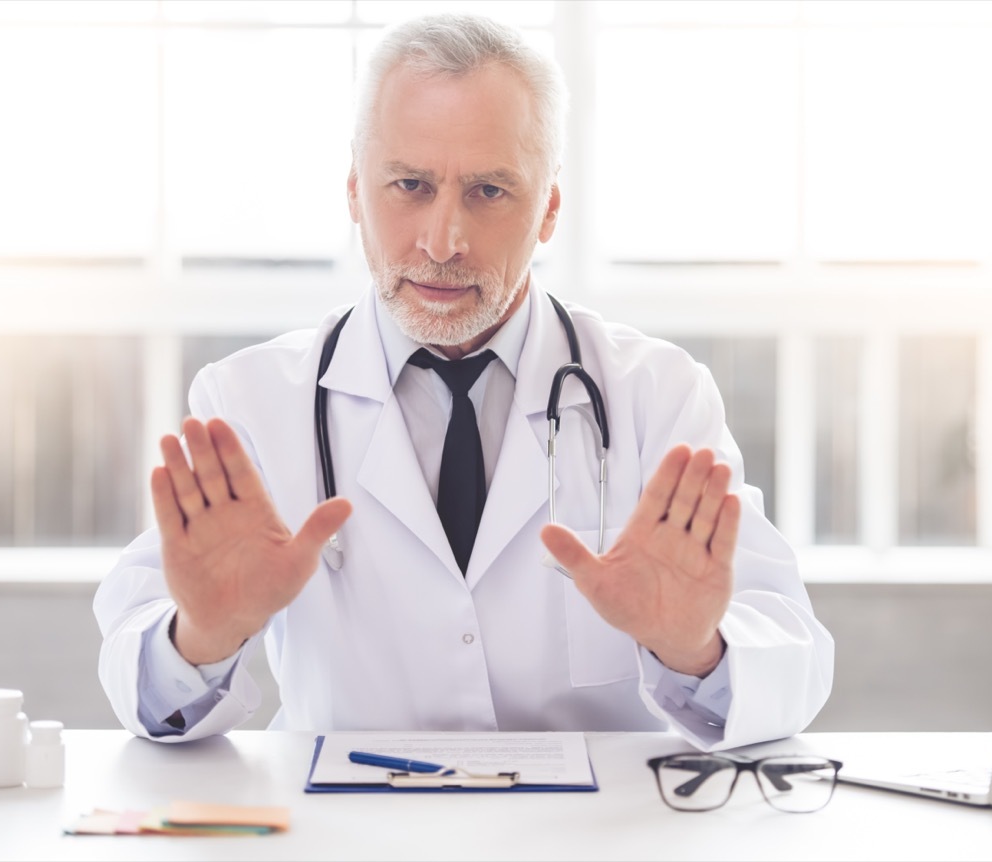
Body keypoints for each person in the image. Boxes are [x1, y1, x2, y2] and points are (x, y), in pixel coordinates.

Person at [93, 12, 833, 751]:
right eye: (409, 185)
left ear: (547, 210)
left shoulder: (656, 396)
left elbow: (792, 661)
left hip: (591, 836)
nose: (442, 241)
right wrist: (203, 637)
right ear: (354, 192)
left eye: (487, 192)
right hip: (351, 832)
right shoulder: (251, 404)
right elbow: (144, 686)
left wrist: (695, 648)